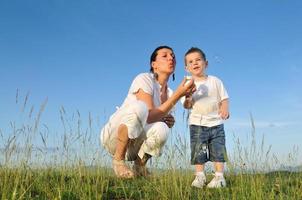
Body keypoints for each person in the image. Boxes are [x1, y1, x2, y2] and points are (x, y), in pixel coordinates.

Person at [100, 46, 196, 178]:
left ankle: (139, 166)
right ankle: (118, 161)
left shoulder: (170, 93)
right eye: (165, 55)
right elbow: (149, 115)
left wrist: (169, 120)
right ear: (154, 64)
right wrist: (178, 95)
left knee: (163, 128)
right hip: (115, 138)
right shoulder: (144, 78)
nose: (171, 58)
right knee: (140, 107)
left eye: (173, 56)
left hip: (134, 147)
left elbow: (161, 120)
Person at [182, 47, 229, 188]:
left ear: (206, 63)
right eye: (191, 62)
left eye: (198, 60)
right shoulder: (187, 84)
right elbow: (187, 105)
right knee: (198, 150)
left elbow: (224, 98)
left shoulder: (215, 81)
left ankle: (219, 177)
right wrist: (188, 96)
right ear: (186, 68)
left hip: (216, 123)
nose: (195, 63)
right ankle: (200, 176)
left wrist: (225, 108)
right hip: (197, 123)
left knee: (218, 150)